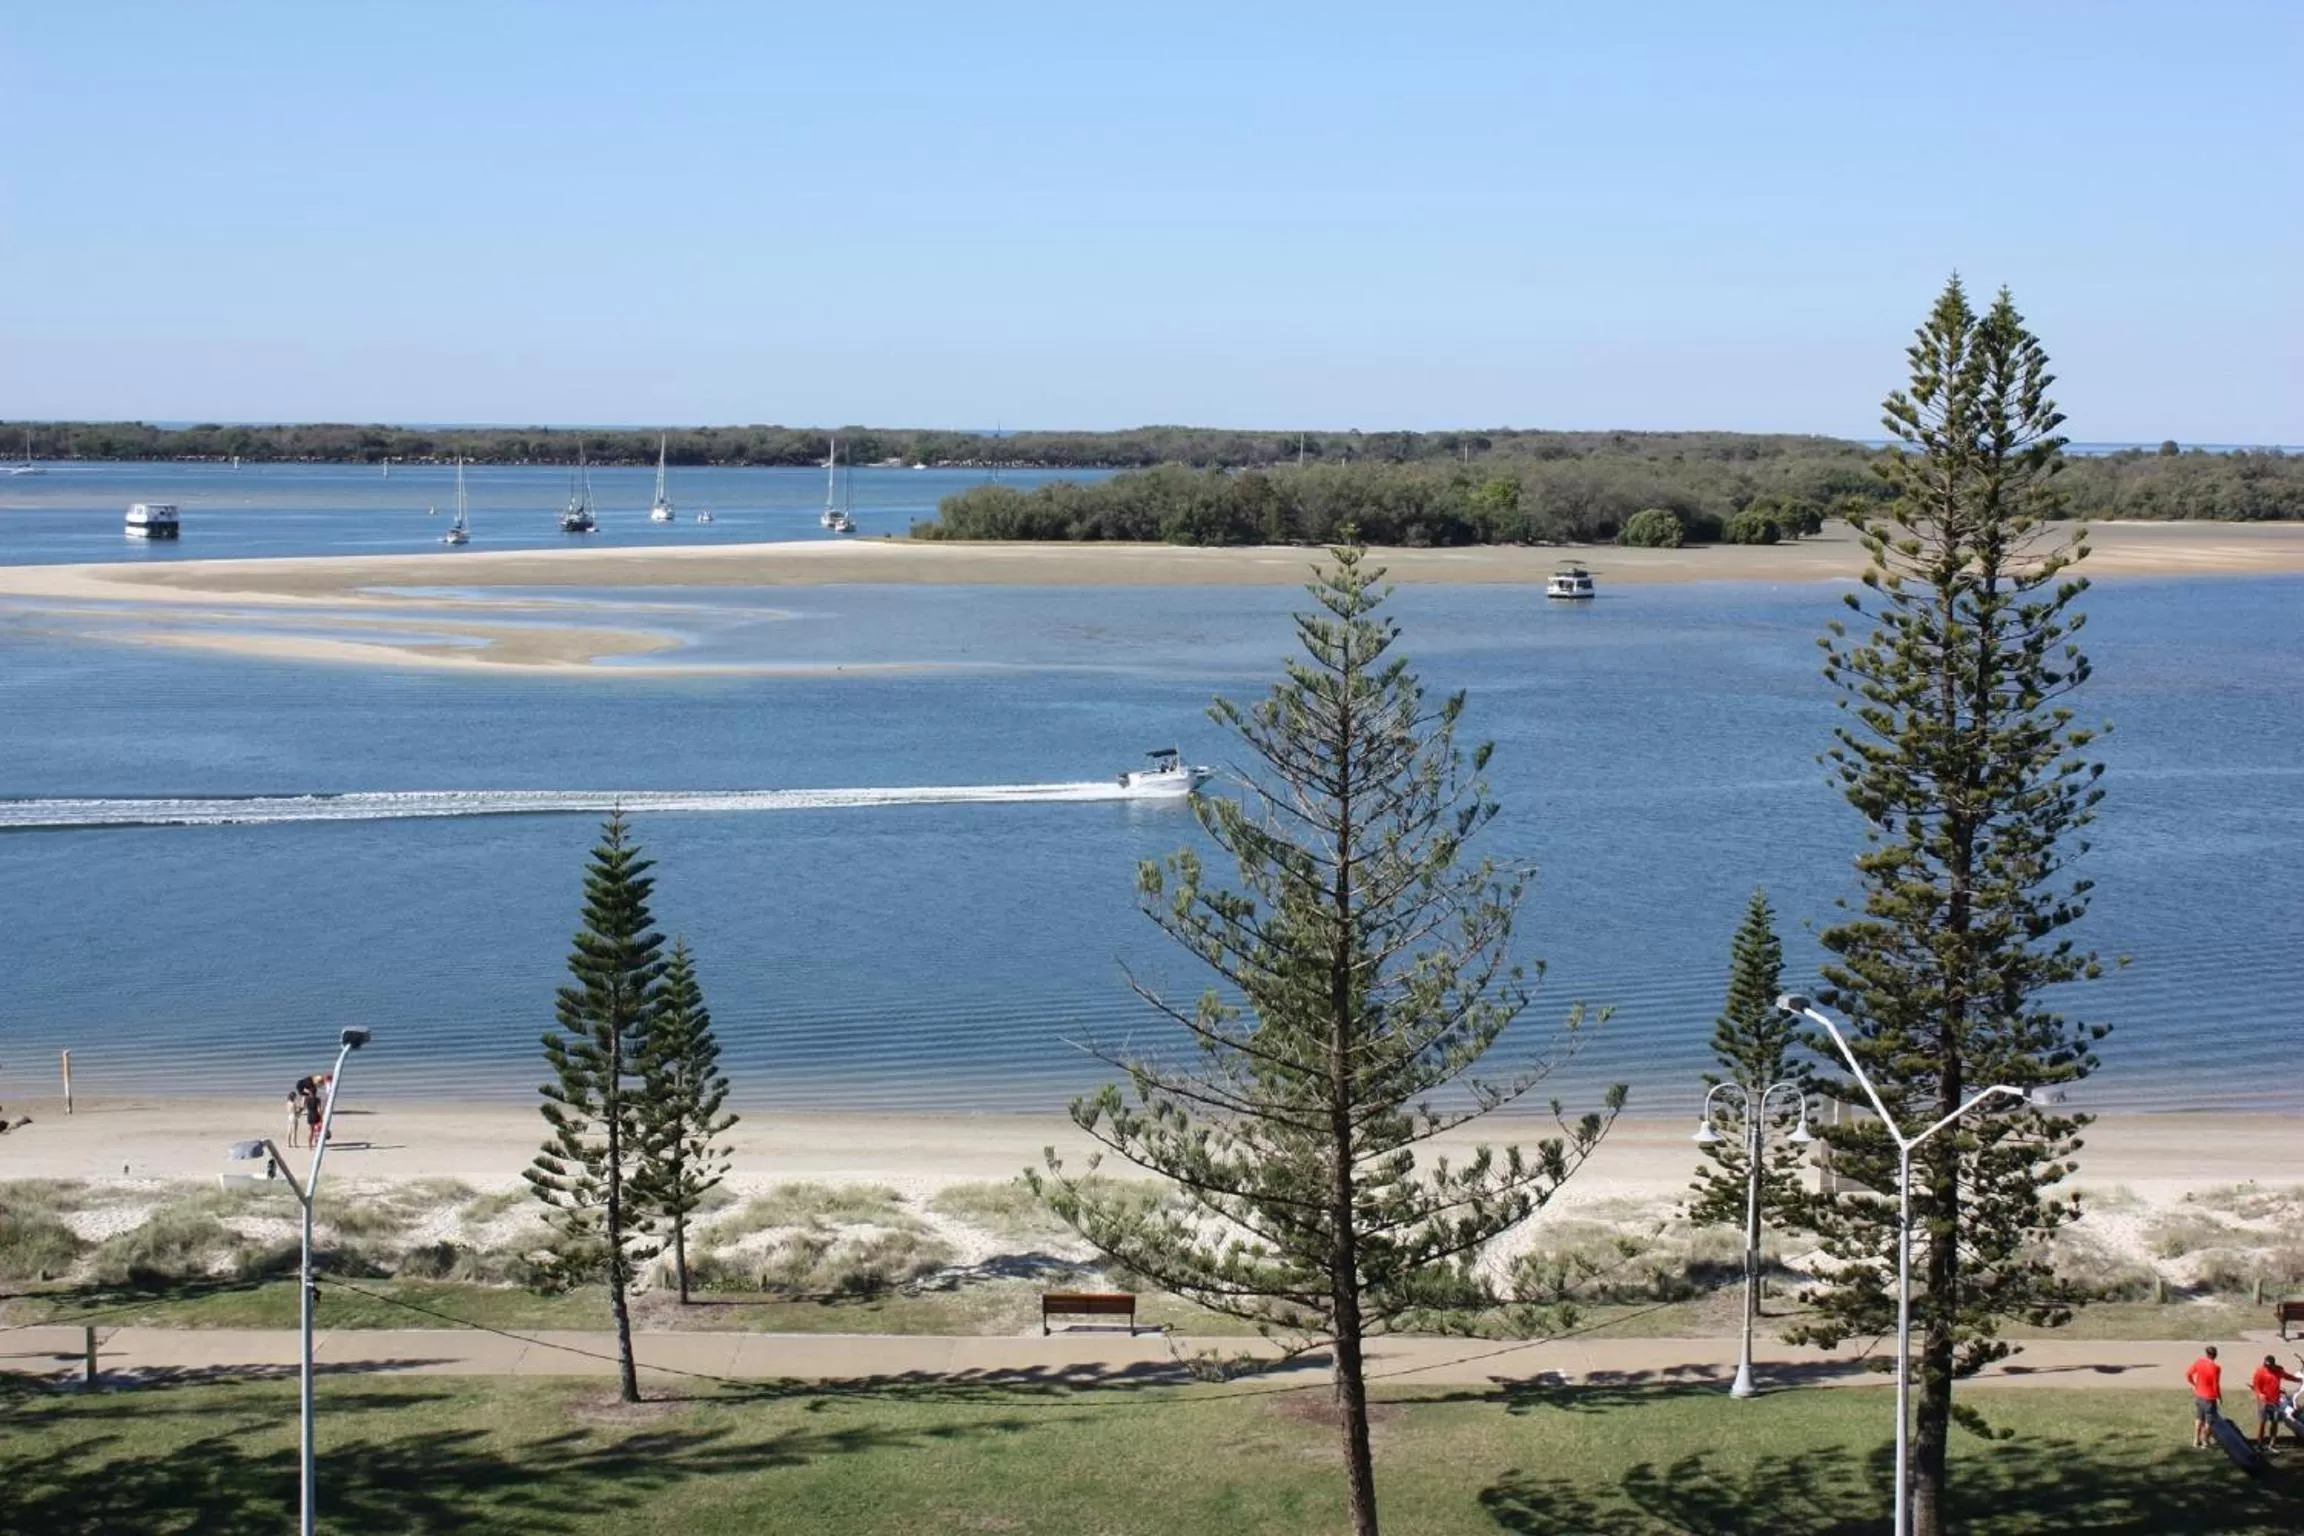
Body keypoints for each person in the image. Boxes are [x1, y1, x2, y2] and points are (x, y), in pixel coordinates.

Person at [2252, 1354, 2299, 1451]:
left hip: (2275, 1401)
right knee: (2262, 1423)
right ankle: (2259, 1444)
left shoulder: (2279, 1370)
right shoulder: (2260, 1371)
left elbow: (2287, 1376)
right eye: (2265, 1365)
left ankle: (2272, 1444)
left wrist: (2298, 1379)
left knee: (2274, 1422)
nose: (2267, 1367)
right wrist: (2259, 1394)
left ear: (2273, 1364)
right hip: (2263, 1402)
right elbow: (2256, 1385)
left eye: (2269, 1366)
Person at [2189, 1345, 2223, 1448]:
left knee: (2199, 1418)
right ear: (2215, 1355)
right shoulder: (2216, 1368)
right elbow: (2215, 1384)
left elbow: (2188, 1374)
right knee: (2209, 1421)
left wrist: (2194, 1384)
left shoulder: (2199, 1362)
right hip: (2209, 1398)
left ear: (2206, 1354)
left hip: (2199, 1395)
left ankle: (2196, 1440)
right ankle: (2205, 1441)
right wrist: (2219, 1397)